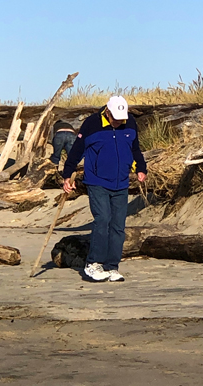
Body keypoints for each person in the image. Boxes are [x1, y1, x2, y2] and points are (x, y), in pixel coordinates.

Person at [62, 96, 147, 282]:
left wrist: (141, 168)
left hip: (121, 182)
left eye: (121, 117)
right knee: (103, 220)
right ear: (107, 112)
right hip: (97, 181)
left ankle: (112, 267)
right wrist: (67, 175)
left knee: (118, 226)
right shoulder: (92, 123)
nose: (118, 121)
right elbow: (77, 150)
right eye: (115, 117)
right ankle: (93, 264)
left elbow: (135, 149)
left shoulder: (129, 122)